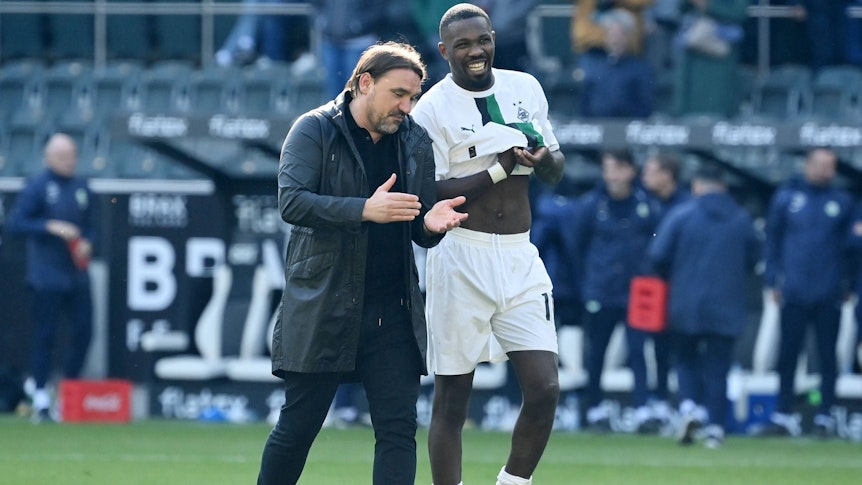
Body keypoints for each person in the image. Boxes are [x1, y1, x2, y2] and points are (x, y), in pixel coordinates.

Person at [256, 41, 468, 485]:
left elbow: (417, 226)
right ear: (365, 82)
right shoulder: (313, 129)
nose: (406, 107)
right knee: (297, 429)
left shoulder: (414, 140)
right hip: (324, 304)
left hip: (393, 311)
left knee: (398, 431)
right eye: (398, 94)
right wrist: (363, 210)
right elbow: (292, 203)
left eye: (413, 97)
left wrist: (431, 225)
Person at [410, 4, 566, 485]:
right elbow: (429, 191)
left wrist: (541, 159)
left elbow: (556, 168)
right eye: (463, 45)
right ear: (444, 51)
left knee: (545, 388)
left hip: (520, 255)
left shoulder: (525, 87)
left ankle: (511, 483)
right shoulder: (431, 108)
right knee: (452, 399)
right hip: (460, 254)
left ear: (494, 38)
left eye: (482, 40)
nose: (475, 51)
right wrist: (498, 168)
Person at [648, 164, 761, 449]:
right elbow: (755, 258)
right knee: (718, 367)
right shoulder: (741, 219)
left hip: (686, 303)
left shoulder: (682, 215)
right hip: (727, 304)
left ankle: (690, 408)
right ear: (723, 186)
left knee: (686, 359)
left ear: (697, 185)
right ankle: (716, 429)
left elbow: (657, 254)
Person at [6, 133, 96, 424]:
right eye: (63, 156)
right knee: (45, 336)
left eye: (73, 155)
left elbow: (92, 226)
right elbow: (16, 223)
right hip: (46, 275)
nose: (70, 161)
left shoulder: (82, 187)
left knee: (84, 332)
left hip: (76, 275)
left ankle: (68, 392)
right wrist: (50, 226)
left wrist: (88, 242)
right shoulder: (38, 187)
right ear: (49, 158)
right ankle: (42, 398)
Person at [763, 147, 852, 438]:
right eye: (822, 165)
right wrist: (773, 279)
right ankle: (783, 414)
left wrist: (847, 283)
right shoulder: (787, 198)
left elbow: (850, 248)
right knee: (788, 355)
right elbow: (772, 239)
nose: (827, 171)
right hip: (794, 291)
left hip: (829, 293)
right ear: (808, 165)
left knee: (828, 356)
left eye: (831, 166)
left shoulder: (842, 201)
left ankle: (825, 415)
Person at [571, 149, 661, 434]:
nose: (612, 175)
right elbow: (576, 246)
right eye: (608, 168)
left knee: (638, 351)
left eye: (618, 168)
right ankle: (594, 409)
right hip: (601, 290)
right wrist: (588, 282)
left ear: (631, 171)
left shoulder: (646, 204)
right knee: (596, 351)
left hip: (638, 292)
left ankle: (643, 409)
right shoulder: (591, 204)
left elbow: (657, 243)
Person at [672, 0, 749, 117]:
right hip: (693, 44)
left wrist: (708, 5)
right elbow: (679, 9)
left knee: (715, 103)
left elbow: (740, 11)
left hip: (720, 47)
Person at [579, 7, 655, 119]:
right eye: (611, 34)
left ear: (628, 37)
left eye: (619, 35)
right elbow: (586, 102)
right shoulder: (595, 67)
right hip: (596, 124)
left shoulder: (640, 69)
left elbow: (645, 105)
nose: (615, 40)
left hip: (628, 125)